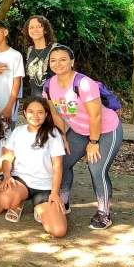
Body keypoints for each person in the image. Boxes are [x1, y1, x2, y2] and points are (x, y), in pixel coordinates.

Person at [44, 44, 122, 230]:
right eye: (53, 60)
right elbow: (56, 114)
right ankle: (63, 202)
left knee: (96, 168)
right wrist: (62, 137)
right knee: (62, 161)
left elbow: (96, 116)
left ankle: (104, 214)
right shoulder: (49, 85)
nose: (58, 64)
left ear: (72, 61)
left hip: (106, 130)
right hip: (79, 131)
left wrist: (93, 143)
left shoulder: (84, 83)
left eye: (63, 59)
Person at [0, 97, 67, 238]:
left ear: (46, 114)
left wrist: (54, 193)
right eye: (31, 111)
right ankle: (18, 203)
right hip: (21, 181)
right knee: (5, 200)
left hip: (45, 186)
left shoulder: (53, 134)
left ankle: (39, 207)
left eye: (40, 112)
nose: (35, 116)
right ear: (24, 113)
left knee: (58, 231)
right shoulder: (18, 131)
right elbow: (7, 157)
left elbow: (57, 166)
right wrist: (6, 176)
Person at [22, 15, 58, 97]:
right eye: (31, 27)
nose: (35, 30)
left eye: (39, 26)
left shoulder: (56, 50)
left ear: (45, 30)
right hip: (36, 100)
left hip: (54, 100)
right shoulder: (30, 50)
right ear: (27, 31)